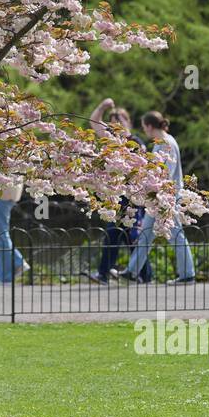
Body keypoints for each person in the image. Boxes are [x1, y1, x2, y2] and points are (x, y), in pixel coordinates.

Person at [84, 100, 152, 284]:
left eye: (120, 121)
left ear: (128, 122)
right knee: (113, 234)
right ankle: (104, 274)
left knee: (133, 237)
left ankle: (144, 275)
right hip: (116, 194)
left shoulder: (135, 142)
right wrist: (103, 106)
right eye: (113, 122)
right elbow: (94, 122)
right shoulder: (111, 140)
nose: (117, 125)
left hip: (132, 196)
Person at [123, 111, 195, 285]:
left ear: (149, 126)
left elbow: (165, 172)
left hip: (166, 197)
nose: (143, 130)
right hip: (162, 196)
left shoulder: (165, 143)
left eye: (143, 127)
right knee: (147, 234)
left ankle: (187, 274)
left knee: (174, 234)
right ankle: (131, 272)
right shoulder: (165, 141)